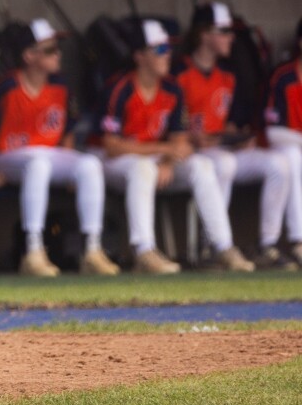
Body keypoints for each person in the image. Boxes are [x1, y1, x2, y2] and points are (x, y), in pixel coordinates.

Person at [0, 19, 119, 277]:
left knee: (89, 164)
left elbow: (67, 131)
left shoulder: (60, 86)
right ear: (29, 56)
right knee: (39, 164)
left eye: (56, 49)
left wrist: (71, 172)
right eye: (49, 50)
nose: (58, 55)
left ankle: (92, 250)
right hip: (7, 158)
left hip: (47, 155)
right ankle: (33, 251)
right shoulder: (7, 85)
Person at [95, 18, 253, 274]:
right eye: (159, 50)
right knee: (142, 168)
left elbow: (180, 139)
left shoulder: (172, 88)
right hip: (114, 163)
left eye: (168, 48)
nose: (167, 54)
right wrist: (164, 152)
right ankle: (144, 250)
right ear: (139, 56)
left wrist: (169, 160)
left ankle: (223, 246)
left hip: (155, 159)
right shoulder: (120, 88)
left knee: (201, 165)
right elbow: (111, 144)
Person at [175, 3, 295, 271]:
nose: (231, 38)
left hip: (223, 148)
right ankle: (212, 246)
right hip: (196, 154)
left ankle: (268, 244)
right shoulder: (179, 72)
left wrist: (238, 134)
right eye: (224, 31)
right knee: (222, 163)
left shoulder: (230, 74)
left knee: (279, 163)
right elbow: (172, 126)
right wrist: (193, 138)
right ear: (204, 34)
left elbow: (239, 119)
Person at [263, 17, 302, 267]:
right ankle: (298, 240)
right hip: (288, 144)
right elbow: (272, 131)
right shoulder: (284, 77)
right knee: (290, 156)